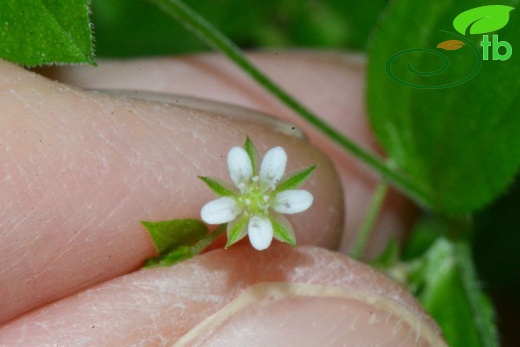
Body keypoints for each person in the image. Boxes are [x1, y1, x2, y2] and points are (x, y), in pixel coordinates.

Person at [0, 52, 444, 345]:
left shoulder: (264, 208)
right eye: (250, 192)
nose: (255, 197)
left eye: (258, 193)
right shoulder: (231, 209)